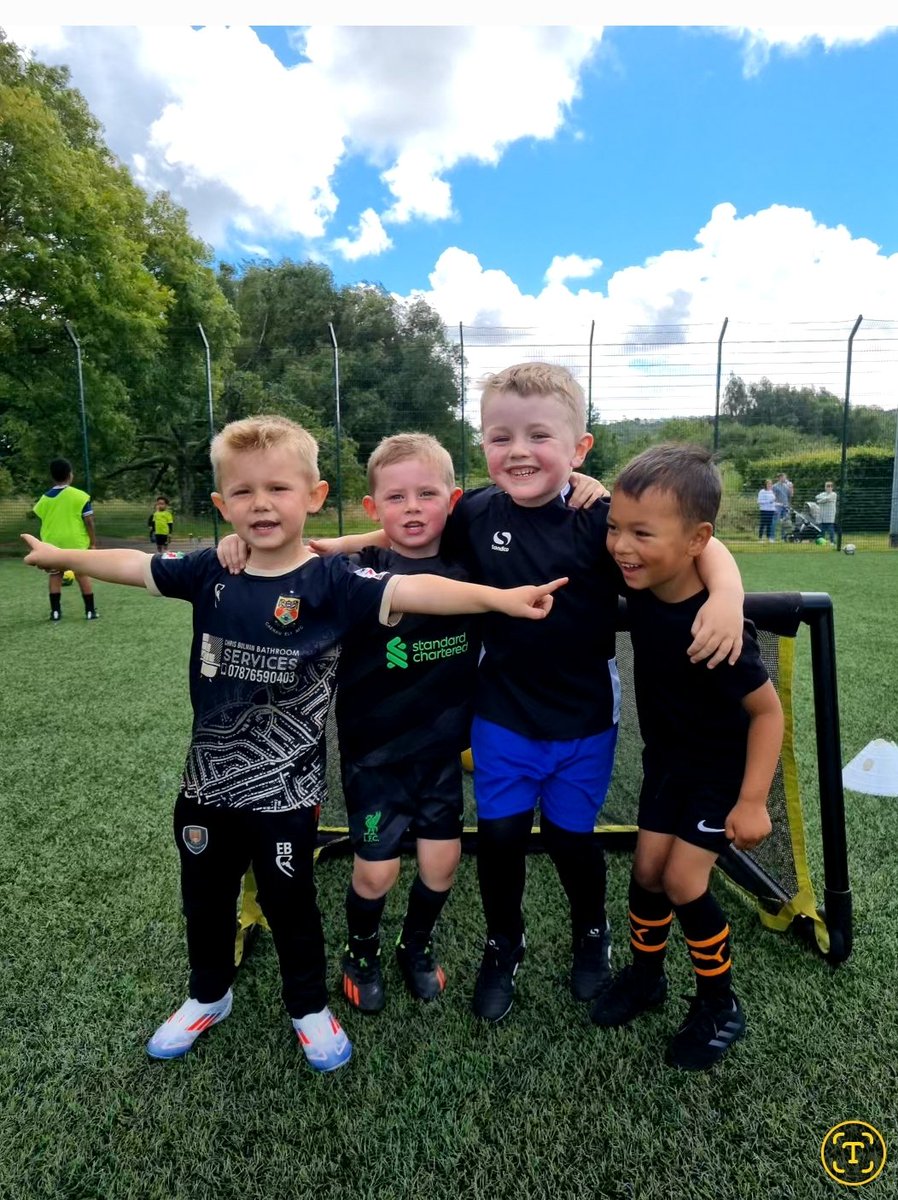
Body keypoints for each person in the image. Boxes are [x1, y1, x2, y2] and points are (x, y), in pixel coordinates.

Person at [22, 415, 565, 1071]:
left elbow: (415, 586)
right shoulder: (209, 571)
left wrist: (501, 600)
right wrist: (63, 557)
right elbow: (136, 564)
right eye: (243, 493)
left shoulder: (334, 581)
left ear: (313, 496)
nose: (260, 504)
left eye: (278, 488)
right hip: (205, 787)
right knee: (203, 897)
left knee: (292, 902)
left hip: (287, 791)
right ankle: (206, 994)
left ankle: (308, 1005)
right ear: (223, 506)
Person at [310, 363, 746, 1024]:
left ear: (579, 449)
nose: (517, 451)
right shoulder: (477, 511)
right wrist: (335, 543)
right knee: (503, 840)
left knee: (574, 843)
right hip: (502, 714)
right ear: (481, 445)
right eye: (499, 436)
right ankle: (501, 946)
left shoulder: (601, 517)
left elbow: (694, 542)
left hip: (584, 720)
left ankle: (590, 934)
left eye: (538, 435)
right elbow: (409, 533)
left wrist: (730, 593)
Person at [591, 444, 783, 1071]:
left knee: (681, 881)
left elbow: (766, 713)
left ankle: (719, 1003)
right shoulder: (644, 578)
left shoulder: (717, 629)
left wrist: (752, 800)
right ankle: (648, 978)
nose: (621, 545)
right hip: (666, 762)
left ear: (694, 540)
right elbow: (588, 490)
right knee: (646, 871)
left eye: (641, 533)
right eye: (617, 528)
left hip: (719, 777)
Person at [32, 457, 98, 621]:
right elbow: (89, 521)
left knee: (55, 575)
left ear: (52, 476)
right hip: (75, 542)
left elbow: (43, 518)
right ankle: (90, 611)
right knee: (82, 575)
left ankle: (55, 612)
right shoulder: (80, 496)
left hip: (52, 543)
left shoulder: (44, 499)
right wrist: (93, 542)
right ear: (70, 475)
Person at [771, 472, 793, 541]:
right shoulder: (775, 486)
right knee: (775, 521)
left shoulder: (786, 486)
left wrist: (791, 487)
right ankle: (772, 538)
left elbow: (791, 495)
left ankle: (783, 537)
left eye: (786, 477)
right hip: (778, 506)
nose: (785, 479)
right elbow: (773, 496)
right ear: (780, 478)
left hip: (786, 506)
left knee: (785, 522)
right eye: (784, 477)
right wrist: (776, 503)